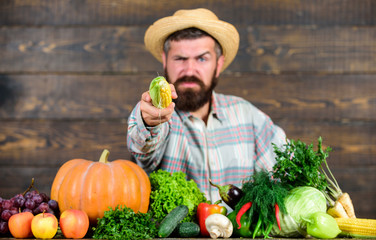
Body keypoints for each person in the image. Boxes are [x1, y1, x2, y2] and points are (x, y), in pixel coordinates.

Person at [127, 8, 286, 206]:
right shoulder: (160, 118)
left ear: (218, 64)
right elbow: (143, 152)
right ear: (165, 60)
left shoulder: (249, 117)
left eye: (202, 58)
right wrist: (148, 122)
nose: (190, 70)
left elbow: (286, 172)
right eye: (180, 58)